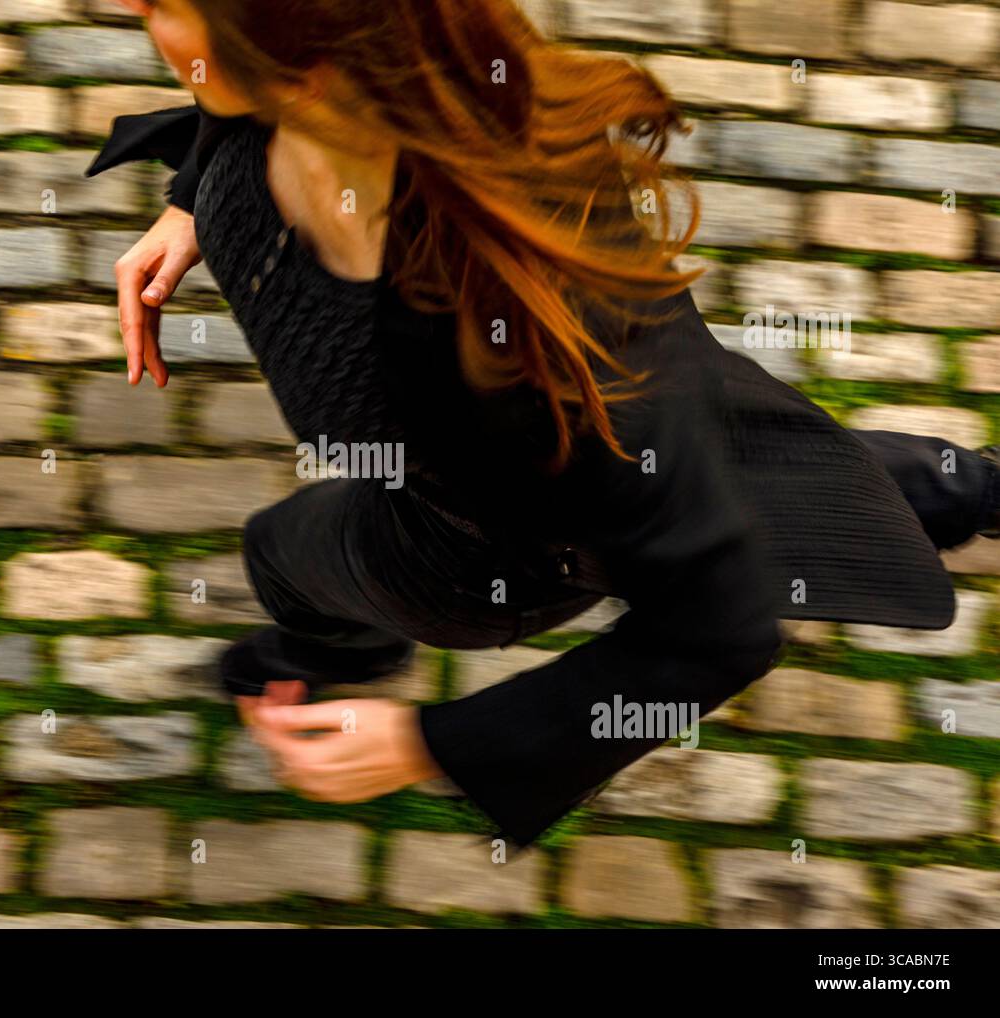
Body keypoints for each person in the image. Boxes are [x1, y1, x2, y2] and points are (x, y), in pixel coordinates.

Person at [89, 0, 1000, 848]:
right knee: (772, 468)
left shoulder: (546, 333)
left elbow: (718, 630)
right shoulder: (332, 71)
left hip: (473, 555)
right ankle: (971, 488)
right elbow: (248, 84)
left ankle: (335, 653)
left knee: (280, 552)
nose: (134, 5)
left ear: (313, 69)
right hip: (628, 443)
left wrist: (431, 746)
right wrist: (195, 201)